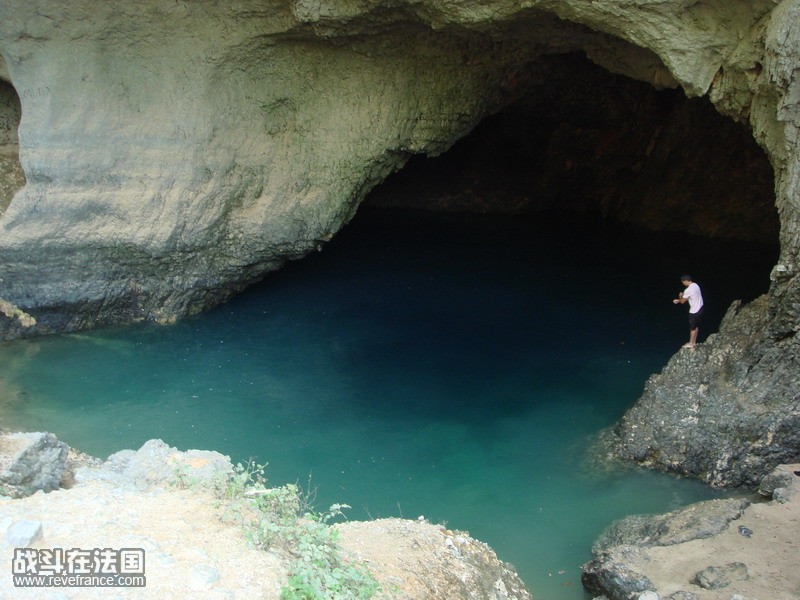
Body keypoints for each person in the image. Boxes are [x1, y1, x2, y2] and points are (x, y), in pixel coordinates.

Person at [673, 274, 704, 349]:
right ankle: (694, 342)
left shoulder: (688, 290)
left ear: (686, 281)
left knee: (692, 328)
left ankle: (691, 344)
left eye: (683, 282)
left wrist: (680, 296)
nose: (683, 283)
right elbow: (689, 296)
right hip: (701, 308)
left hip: (694, 312)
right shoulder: (695, 285)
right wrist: (680, 299)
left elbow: (683, 301)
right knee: (696, 326)